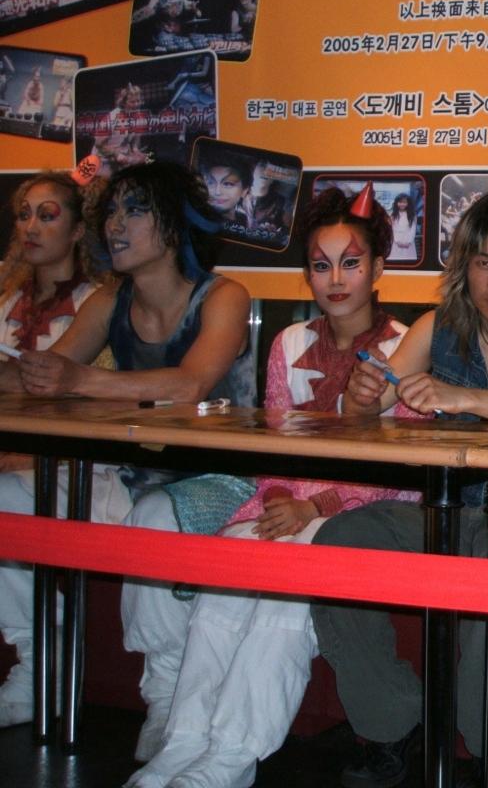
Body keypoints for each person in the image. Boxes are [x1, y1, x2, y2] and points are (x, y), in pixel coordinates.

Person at [125, 186, 419, 788]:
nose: (335, 278)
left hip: (355, 516)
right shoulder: (289, 342)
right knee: (224, 588)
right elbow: (276, 445)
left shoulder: (406, 346)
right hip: (281, 505)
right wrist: (284, 496)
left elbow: (408, 476)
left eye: (351, 262)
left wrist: (315, 506)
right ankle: (182, 744)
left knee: (281, 606)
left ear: (377, 270)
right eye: (320, 265)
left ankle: (232, 758)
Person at [311, 190, 488, 788]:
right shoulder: (436, 325)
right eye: (484, 262)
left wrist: (464, 397)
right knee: (341, 540)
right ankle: (392, 721)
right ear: (464, 266)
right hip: (446, 509)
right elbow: (366, 408)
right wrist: (360, 395)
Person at [11, 161, 256, 761]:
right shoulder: (108, 300)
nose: (116, 225)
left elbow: (190, 384)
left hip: (226, 483)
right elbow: (44, 377)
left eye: (135, 210)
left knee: (152, 518)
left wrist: (77, 380)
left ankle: (166, 697)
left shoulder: (225, 296)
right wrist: (38, 374)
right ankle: (36, 660)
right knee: (6, 502)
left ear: (173, 224)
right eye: (113, 212)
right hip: (130, 478)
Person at [0, 172, 126, 727]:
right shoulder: (6, 300)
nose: (32, 226)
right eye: (24, 214)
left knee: (5, 501)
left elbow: (97, 403)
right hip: (16, 462)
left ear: (77, 230)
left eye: (47, 215)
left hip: (89, 468)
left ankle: (38, 664)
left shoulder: (99, 304)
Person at [199, 157, 252, 228]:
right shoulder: (198, 217)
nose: (217, 192)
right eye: (210, 182)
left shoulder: (244, 220)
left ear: (244, 191)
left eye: (227, 184)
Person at [390, 192, 417, 261]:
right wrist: (397, 241)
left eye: (404, 202)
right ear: (396, 203)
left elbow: (413, 229)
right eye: (400, 202)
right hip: (396, 243)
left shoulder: (412, 215)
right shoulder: (393, 215)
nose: (402, 204)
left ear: (408, 203)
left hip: (409, 243)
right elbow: (393, 229)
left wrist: (408, 242)